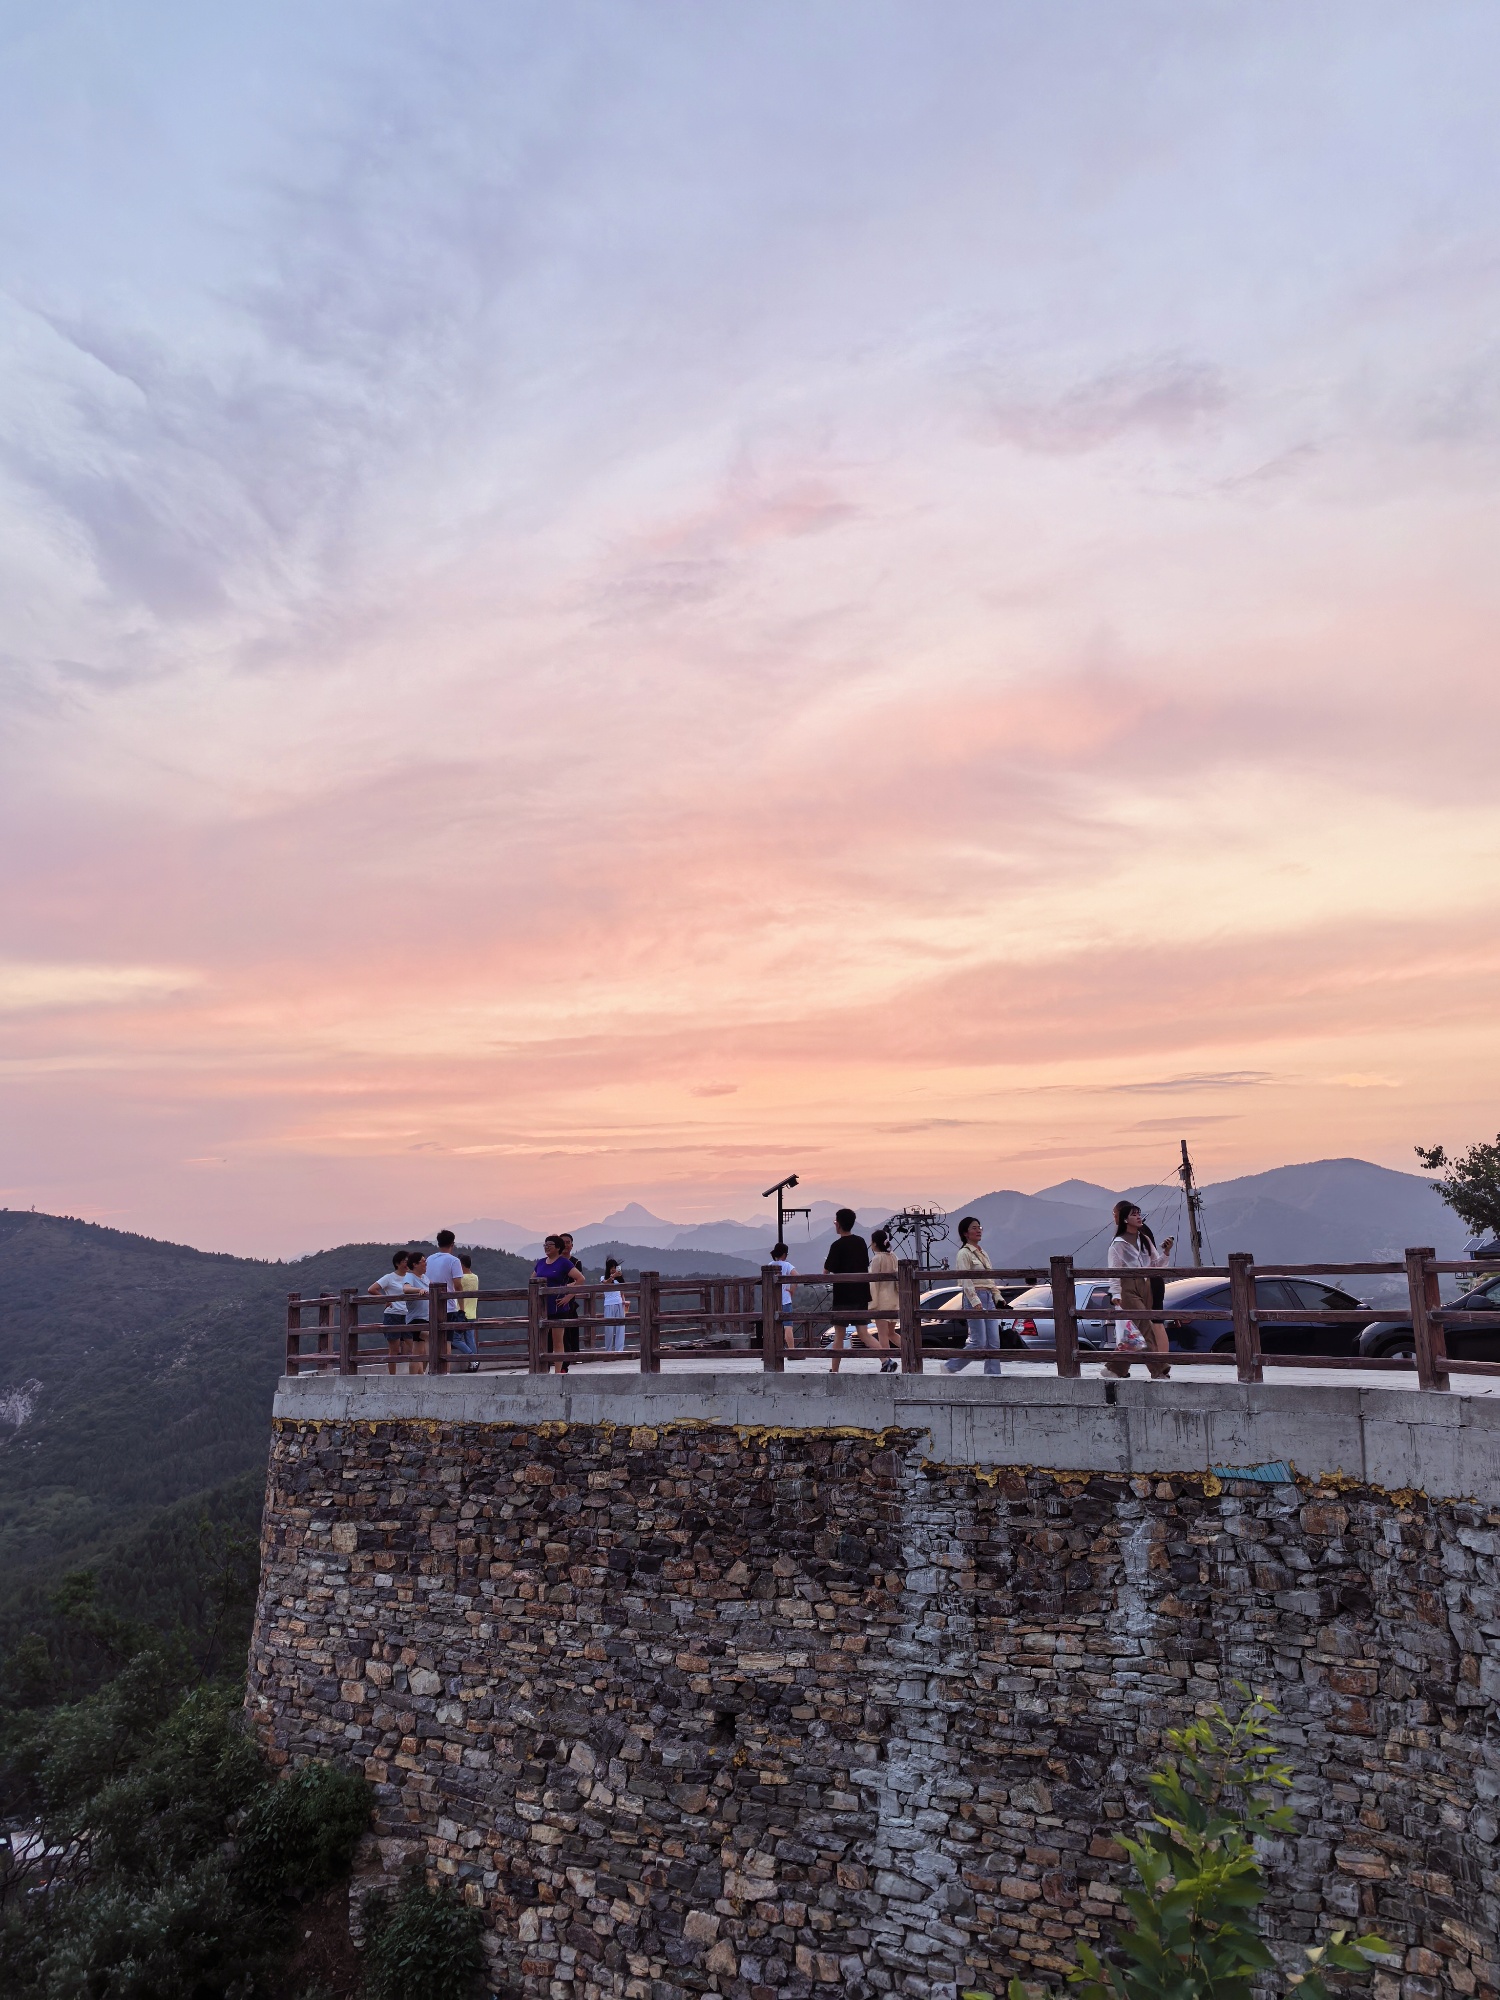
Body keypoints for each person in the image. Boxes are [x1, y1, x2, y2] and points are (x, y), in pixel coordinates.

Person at [1105, 1202, 1175, 1381]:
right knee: (1145, 1327)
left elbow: (1155, 1265)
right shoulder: (1118, 1244)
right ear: (1125, 1219)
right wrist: (1116, 1294)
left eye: (1139, 1213)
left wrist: (1166, 1252)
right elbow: (1114, 1270)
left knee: (1133, 1332)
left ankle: (1115, 1368)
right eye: (1134, 1214)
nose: (1138, 1217)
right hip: (1128, 1287)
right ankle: (1158, 1369)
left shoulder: (1144, 1239)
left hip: (1145, 1285)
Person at [944, 1215, 1002, 1375]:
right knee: (979, 1341)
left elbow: (990, 1278)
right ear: (965, 1233)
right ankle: (951, 1366)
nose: (978, 1230)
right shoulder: (963, 1253)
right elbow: (965, 1279)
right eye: (974, 1228)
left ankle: (993, 1375)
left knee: (994, 1342)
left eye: (979, 1227)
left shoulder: (983, 1253)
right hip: (973, 1296)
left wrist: (997, 1296)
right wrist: (975, 1300)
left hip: (988, 1296)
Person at [824, 1208, 875, 1373]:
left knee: (839, 1334)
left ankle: (834, 1370)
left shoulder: (837, 1245)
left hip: (843, 1295)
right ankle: (885, 1359)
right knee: (863, 1333)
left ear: (838, 1224)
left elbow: (826, 1271)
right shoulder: (860, 1242)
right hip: (861, 1293)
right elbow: (864, 1263)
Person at [427, 1229, 477, 1370]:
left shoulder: (429, 1259)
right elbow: (457, 1285)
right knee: (447, 1340)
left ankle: (433, 1369)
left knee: (433, 1339)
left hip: (430, 1305)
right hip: (448, 1306)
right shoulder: (454, 1261)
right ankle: (446, 1371)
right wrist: (461, 1307)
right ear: (452, 1244)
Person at [534, 1236, 576, 1373]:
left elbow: (581, 1279)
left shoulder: (564, 1263)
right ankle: (542, 1370)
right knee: (542, 1341)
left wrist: (568, 1296)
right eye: (545, 1244)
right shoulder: (540, 1263)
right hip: (542, 1308)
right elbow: (532, 1280)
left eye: (550, 1244)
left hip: (558, 1307)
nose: (546, 1247)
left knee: (558, 1340)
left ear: (558, 1247)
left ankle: (558, 1372)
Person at [368, 1251, 412, 1375]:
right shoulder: (389, 1277)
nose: (407, 1263)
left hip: (409, 1315)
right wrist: (385, 1299)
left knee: (413, 1348)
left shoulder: (411, 1277)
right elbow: (372, 1289)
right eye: (405, 1261)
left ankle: (415, 1374)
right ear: (398, 1263)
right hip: (393, 1315)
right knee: (394, 1350)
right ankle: (393, 1376)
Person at [868, 1227, 900, 1373]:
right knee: (891, 1332)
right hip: (894, 1298)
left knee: (882, 1333)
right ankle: (910, 1352)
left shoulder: (877, 1258)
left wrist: (870, 1302)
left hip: (882, 1299)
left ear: (874, 1244)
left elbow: (873, 1281)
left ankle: (886, 1362)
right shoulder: (893, 1256)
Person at [403, 1250, 429, 1374]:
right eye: (423, 1262)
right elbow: (406, 1289)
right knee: (419, 1349)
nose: (425, 1264)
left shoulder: (425, 1278)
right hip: (417, 1318)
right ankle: (416, 1378)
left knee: (419, 1351)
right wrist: (419, 1290)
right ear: (415, 1264)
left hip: (427, 1317)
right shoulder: (409, 1276)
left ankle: (420, 1375)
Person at [601, 1257, 627, 1353]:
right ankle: (608, 1351)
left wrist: (624, 1300)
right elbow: (605, 1283)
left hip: (619, 1303)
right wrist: (613, 1276)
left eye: (614, 1267)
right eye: (611, 1267)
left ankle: (619, 1350)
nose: (613, 1269)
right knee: (609, 1329)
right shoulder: (603, 1278)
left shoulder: (619, 1280)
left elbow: (622, 1291)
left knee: (620, 1328)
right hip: (608, 1304)